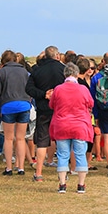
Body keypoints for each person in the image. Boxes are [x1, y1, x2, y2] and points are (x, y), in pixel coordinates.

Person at [49, 63, 94, 193]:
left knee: (63, 155)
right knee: (80, 154)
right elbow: (91, 103)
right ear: (76, 74)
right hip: (80, 125)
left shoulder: (58, 89)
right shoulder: (83, 89)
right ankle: (81, 184)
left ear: (65, 74)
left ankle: (62, 184)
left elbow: (52, 105)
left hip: (62, 125)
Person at [26, 46, 65, 182]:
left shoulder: (37, 69)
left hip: (43, 108)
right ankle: (63, 172)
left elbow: (29, 88)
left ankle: (39, 173)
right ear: (57, 56)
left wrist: (43, 94)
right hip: (60, 108)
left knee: (42, 141)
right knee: (62, 140)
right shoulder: (62, 69)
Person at [0, 50, 32, 176]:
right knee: (21, 138)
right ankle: (21, 167)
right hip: (24, 105)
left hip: (8, 105)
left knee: (9, 138)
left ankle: (9, 168)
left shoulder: (1, 72)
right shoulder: (24, 72)